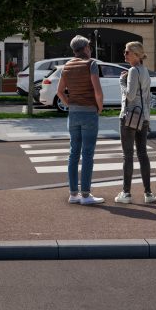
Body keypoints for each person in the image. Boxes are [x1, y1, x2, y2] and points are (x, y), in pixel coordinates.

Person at [57, 35, 105, 205]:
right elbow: (97, 91)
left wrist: (70, 104)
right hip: (89, 112)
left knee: (73, 153)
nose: (90, 49)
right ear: (85, 48)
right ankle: (85, 195)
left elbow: (60, 91)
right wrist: (99, 107)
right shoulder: (91, 64)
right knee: (88, 154)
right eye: (89, 47)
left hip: (74, 113)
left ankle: (73, 194)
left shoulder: (67, 66)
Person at [115, 42, 155, 204]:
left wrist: (122, 82)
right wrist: (148, 119)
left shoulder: (132, 70)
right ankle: (148, 193)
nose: (125, 55)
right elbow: (147, 97)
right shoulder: (145, 71)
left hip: (130, 116)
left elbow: (130, 96)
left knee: (128, 156)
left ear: (136, 55)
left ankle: (126, 193)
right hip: (143, 117)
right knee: (143, 154)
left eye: (127, 52)